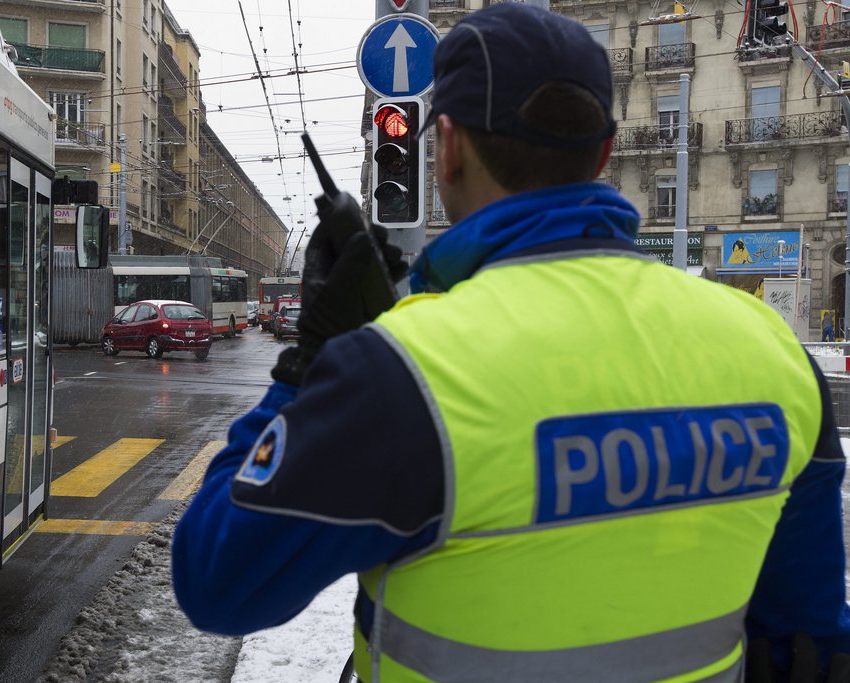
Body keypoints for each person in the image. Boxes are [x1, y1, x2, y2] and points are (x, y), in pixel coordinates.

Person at [172, 4, 850, 681]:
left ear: (449, 147)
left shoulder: (404, 372)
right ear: (605, 153)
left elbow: (217, 579)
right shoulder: (773, 352)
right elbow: (806, 646)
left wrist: (306, 364)